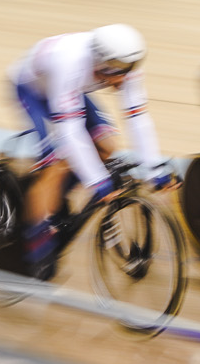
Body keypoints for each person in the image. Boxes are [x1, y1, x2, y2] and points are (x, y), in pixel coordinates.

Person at [9, 25, 168, 275]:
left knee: (107, 145)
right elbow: (70, 132)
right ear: (101, 62)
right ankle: (37, 234)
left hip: (68, 89)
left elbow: (137, 117)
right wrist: (97, 181)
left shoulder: (126, 65)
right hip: (33, 90)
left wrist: (155, 167)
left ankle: (57, 198)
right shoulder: (70, 62)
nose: (124, 79)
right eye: (117, 71)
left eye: (128, 70)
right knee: (54, 164)